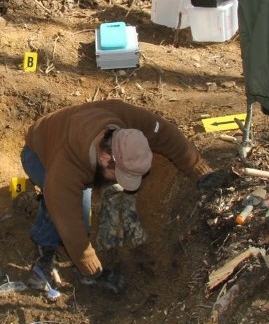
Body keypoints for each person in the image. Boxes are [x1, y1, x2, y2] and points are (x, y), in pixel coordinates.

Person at [20, 99, 221, 293]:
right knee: (68, 206)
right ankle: (44, 247)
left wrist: (199, 170)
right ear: (105, 157)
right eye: (119, 174)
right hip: (37, 153)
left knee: (79, 199)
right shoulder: (66, 169)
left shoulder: (127, 119)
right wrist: (92, 272)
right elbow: (70, 226)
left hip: (72, 136)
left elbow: (166, 134)